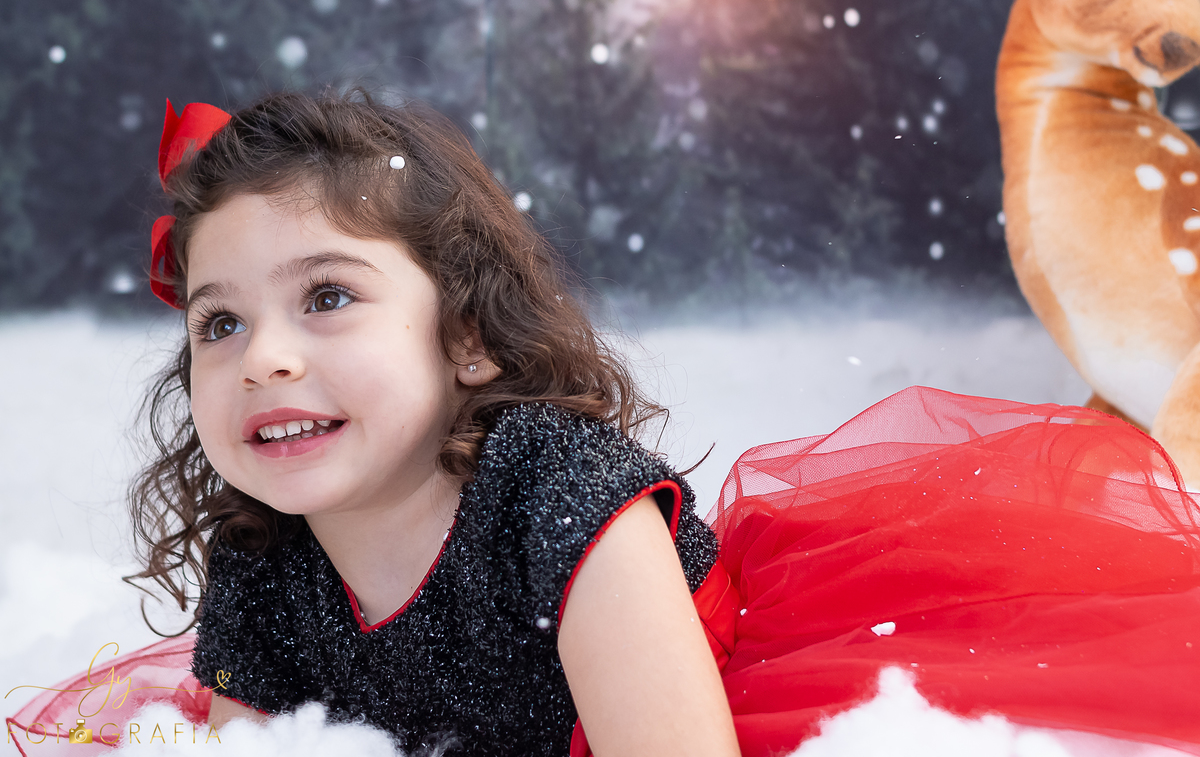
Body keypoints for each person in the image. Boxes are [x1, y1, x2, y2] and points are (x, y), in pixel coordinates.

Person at [7, 92, 1200, 757]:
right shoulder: (263, 563)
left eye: (327, 297)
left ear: (467, 337)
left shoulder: (558, 487)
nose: (263, 354)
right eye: (218, 323)